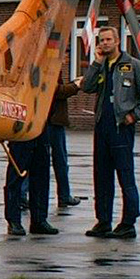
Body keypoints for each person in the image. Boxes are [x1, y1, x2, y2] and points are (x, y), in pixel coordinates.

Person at [76, 25, 140, 239]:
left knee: (125, 176)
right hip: (102, 126)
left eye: (108, 40)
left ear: (117, 41)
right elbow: (87, 86)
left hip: (121, 128)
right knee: (101, 176)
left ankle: (129, 222)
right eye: (101, 40)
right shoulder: (101, 66)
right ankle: (103, 220)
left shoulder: (132, 65)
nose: (104, 43)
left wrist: (133, 116)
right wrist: (96, 63)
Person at [4, 134, 58, 236]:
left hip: (40, 127)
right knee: (16, 175)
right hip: (21, 128)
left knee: (41, 174)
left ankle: (39, 219)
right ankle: (13, 220)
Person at [47, 69, 83, 211]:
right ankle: (64, 195)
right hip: (52, 120)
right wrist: (76, 85)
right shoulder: (48, 66)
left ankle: (23, 195)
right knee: (60, 161)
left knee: (37, 159)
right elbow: (56, 91)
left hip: (49, 120)